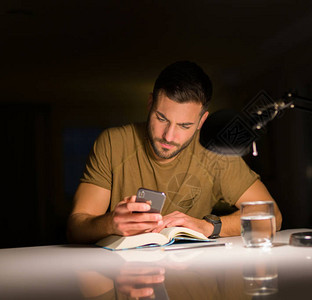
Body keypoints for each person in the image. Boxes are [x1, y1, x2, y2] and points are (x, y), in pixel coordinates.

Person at [67, 61, 282, 244]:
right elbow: (76, 227)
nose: (169, 136)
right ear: (150, 103)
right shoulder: (114, 143)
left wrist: (209, 227)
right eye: (162, 119)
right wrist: (110, 223)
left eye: (185, 125)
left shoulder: (215, 151)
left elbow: (273, 216)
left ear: (201, 121)